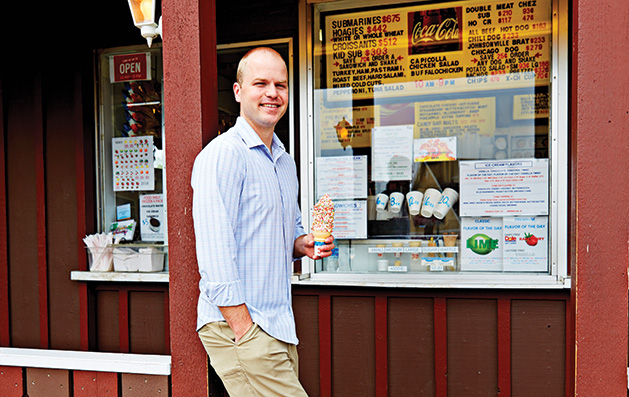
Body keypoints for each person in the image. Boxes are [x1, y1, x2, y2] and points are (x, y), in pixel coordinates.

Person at [191, 47, 334, 396]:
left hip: (278, 323)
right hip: (242, 324)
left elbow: (289, 231)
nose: (273, 93)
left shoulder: (284, 161)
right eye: (261, 83)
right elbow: (214, 251)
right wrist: (244, 328)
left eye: (280, 85)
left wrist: (304, 244)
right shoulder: (223, 155)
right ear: (239, 92)